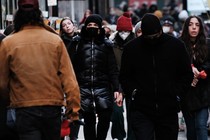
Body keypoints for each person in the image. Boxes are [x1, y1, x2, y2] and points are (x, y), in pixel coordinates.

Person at [0, 1, 81, 140]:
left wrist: (10, 101)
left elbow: (2, 83)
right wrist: (73, 110)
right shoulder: (55, 41)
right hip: (52, 106)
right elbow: (69, 79)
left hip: (24, 107)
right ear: (39, 15)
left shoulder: (8, 43)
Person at [119, 13, 193, 140]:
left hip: (168, 107)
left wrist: (177, 95)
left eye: (156, 36)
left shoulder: (175, 46)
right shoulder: (131, 49)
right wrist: (133, 92)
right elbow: (125, 76)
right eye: (149, 37)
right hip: (142, 108)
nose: (153, 40)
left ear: (160, 31)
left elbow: (186, 75)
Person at [71, 14, 123, 140]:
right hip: (83, 87)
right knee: (89, 120)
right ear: (85, 26)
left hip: (103, 86)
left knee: (105, 118)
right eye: (89, 25)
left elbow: (112, 69)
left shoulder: (107, 45)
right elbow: (70, 66)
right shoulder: (77, 43)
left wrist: (117, 88)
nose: (92, 27)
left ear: (100, 28)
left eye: (95, 25)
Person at [180, 15, 210, 140]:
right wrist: (189, 68)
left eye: (197, 25)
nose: (194, 28)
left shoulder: (207, 44)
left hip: (203, 93)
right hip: (186, 93)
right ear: (186, 27)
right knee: (191, 130)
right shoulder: (180, 44)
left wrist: (202, 70)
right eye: (191, 24)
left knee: (201, 126)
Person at [109, 12, 135, 140]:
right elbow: (112, 67)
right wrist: (117, 89)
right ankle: (118, 137)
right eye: (121, 30)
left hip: (132, 84)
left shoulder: (136, 44)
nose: (124, 33)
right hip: (116, 84)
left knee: (133, 115)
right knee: (117, 113)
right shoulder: (112, 44)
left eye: (126, 30)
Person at [59, 16, 81, 140]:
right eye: (64, 25)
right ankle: (63, 134)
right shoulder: (60, 42)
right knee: (65, 110)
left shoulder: (81, 39)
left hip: (79, 78)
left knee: (76, 110)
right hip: (65, 79)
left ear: (73, 25)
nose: (67, 26)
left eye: (69, 23)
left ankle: (74, 136)